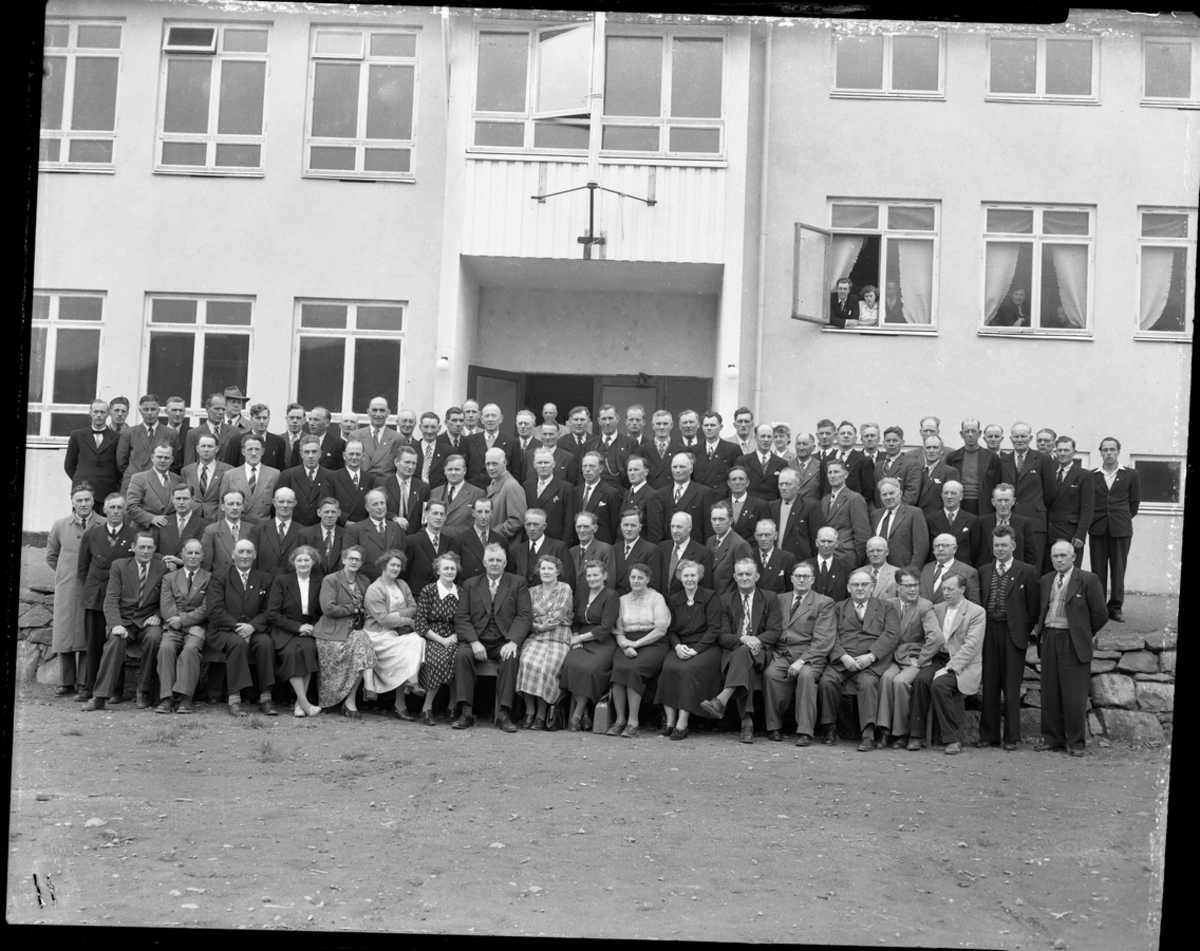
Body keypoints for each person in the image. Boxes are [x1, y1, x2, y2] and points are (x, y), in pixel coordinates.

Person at [81, 531, 170, 712]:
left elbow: (167, 598)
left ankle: (143, 691)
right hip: (125, 621)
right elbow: (111, 599)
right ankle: (100, 696)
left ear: (154, 549)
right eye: (141, 547)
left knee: (154, 639)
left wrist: (158, 615)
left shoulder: (161, 568)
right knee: (115, 642)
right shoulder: (119, 566)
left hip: (148, 621)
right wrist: (116, 624)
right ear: (133, 548)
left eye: (149, 547)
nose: (145, 551)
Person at [1035, 540, 1107, 756]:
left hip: (1073, 641)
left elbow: (1100, 614)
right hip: (1049, 637)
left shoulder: (1087, 579)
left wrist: (1082, 632)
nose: (1059, 559)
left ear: (1073, 557)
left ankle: (1076, 743)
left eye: (1063, 556)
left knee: (1074, 694)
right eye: (1055, 556)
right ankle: (1053, 739)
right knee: (1050, 692)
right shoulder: (1046, 580)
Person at [451, 543, 532, 732]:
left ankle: (504, 713)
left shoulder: (517, 582)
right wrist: (473, 641)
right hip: (477, 638)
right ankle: (466, 712)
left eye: (498, 560)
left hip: (503, 640)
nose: (494, 564)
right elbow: (462, 617)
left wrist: (512, 641)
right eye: (491, 560)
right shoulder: (471, 584)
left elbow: (524, 615)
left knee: (511, 657)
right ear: (484, 562)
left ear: (505, 563)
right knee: (462, 655)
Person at [699, 559, 783, 744]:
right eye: (740, 574)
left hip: (760, 652)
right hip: (735, 653)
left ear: (757, 576)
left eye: (748, 574)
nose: (744, 577)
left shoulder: (769, 598)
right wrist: (743, 638)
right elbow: (723, 636)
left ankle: (723, 700)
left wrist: (755, 640)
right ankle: (747, 723)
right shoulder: (725, 600)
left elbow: (774, 631)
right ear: (735, 577)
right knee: (744, 656)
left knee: (745, 653)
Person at [817, 569, 900, 750]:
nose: (860, 588)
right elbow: (830, 634)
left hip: (871, 662)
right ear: (848, 588)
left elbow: (892, 635)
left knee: (868, 683)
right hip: (842, 661)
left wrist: (871, 656)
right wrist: (843, 656)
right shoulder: (838, 608)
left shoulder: (886, 607)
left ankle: (868, 733)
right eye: (855, 585)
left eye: (864, 584)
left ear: (872, 587)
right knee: (827, 681)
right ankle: (829, 728)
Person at [907, 572, 987, 755]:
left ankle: (951, 739)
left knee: (940, 685)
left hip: (962, 662)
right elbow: (928, 636)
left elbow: (972, 646)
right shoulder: (937, 608)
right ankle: (916, 735)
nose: (946, 593)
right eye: (944, 589)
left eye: (950, 589)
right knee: (920, 680)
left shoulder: (976, 612)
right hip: (939, 657)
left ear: (962, 589)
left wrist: (949, 668)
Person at [976, 527, 1040, 750]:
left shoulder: (1027, 571)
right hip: (988, 632)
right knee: (990, 685)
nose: (1000, 549)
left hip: (1013, 635)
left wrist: (1021, 629)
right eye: (996, 545)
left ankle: (1011, 738)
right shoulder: (983, 571)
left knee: (1011, 687)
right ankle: (989, 736)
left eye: (1004, 545)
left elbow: (1033, 608)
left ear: (1013, 546)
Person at [762, 561, 835, 746]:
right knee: (771, 674)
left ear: (812, 580)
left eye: (806, 577)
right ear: (792, 578)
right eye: (798, 576)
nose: (802, 580)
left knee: (806, 677)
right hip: (782, 654)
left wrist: (802, 661)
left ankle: (805, 731)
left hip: (810, 657)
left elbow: (823, 640)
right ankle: (774, 727)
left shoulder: (823, 603)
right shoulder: (779, 599)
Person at [76, 493, 140, 702]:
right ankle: (88, 688)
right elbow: (83, 569)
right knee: (93, 644)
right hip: (96, 596)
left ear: (125, 511)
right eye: (111, 507)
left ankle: (115, 690)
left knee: (116, 640)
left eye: (119, 508)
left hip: (119, 599)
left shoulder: (133, 535)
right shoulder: (92, 534)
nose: (115, 512)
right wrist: (92, 591)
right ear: (105, 510)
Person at [206, 538, 278, 716]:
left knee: (266, 644)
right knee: (237, 643)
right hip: (224, 630)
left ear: (254, 556)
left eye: (248, 552)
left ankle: (266, 697)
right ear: (233, 554)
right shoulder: (219, 576)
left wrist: (252, 627)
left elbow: (269, 610)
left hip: (255, 629)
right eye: (241, 552)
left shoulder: (265, 579)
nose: (244, 556)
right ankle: (234, 698)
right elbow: (214, 611)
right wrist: (239, 627)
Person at [654, 560, 723, 740]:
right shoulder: (674, 599)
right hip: (681, 645)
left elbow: (714, 629)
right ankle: (669, 722)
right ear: (680, 577)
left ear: (699, 577)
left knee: (687, 669)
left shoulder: (710, 597)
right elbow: (671, 629)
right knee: (669, 668)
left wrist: (696, 650)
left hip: (706, 647)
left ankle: (682, 724)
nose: (690, 579)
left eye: (693, 575)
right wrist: (677, 646)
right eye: (686, 575)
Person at [46, 482, 102, 696]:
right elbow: (51, 556)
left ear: (93, 500)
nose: (83, 504)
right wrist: (65, 573)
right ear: (72, 502)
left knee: (87, 633)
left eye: (87, 499)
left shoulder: (102, 523)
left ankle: (84, 682)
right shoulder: (60, 525)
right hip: (67, 587)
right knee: (65, 633)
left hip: (92, 587)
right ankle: (66, 681)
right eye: (79, 500)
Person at [312, 546, 378, 717]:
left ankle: (352, 700)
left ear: (361, 563)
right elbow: (328, 609)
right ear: (343, 560)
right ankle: (367, 688)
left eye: (357, 559)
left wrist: (359, 611)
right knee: (362, 642)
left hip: (355, 631)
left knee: (362, 643)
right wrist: (354, 609)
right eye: (351, 558)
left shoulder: (364, 581)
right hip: (331, 633)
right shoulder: (331, 579)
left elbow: (368, 606)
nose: (354, 562)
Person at [607, 563, 671, 738]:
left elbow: (661, 630)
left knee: (633, 669)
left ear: (648, 579)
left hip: (653, 643)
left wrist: (636, 644)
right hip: (628, 641)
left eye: (640, 578)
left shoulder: (656, 598)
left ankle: (632, 722)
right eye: (633, 577)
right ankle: (619, 720)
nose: (636, 581)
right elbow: (618, 630)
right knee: (619, 668)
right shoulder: (622, 600)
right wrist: (625, 644)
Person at [874, 568, 933, 750]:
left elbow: (935, 637)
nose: (913, 589)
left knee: (900, 682)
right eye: (908, 586)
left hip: (914, 658)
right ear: (898, 587)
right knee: (885, 679)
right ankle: (884, 730)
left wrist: (922, 660)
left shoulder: (925, 606)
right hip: (893, 657)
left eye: (915, 585)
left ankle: (901, 733)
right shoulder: (888, 604)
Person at [363, 549, 425, 720]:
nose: (396, 568)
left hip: (397, 634)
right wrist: (406, 619)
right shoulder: (374, 589)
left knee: (417, 640)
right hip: (377, 635)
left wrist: (396, 614)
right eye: (393, 565)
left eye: (399, 565)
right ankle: (401, 701)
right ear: (384, 565)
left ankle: (413, 682)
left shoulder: (402, 585)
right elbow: (383, 619)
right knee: (403, 651)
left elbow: (414, 608)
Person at [561, 560, 621, 731]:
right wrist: (574, 635)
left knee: (589, 669)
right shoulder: (582, 594)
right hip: (581, 639)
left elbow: (605, 628)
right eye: (589, 575)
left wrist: (580, 639)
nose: (592, 578)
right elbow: (575, 621)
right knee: (571, 664)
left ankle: (577, 715)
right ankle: (586, 712)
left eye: (596, 574)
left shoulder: (611, 596)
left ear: (605, 576)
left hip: (603, 643)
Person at [265, 545, 324, 718]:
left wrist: (313, 627)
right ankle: (305, 703)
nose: (303, 563)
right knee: (292, 653)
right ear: (293, 562)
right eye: (299, 560)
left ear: (313, 562)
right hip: (285, 628)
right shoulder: (282, 581)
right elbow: (272, 613)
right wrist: (297, 627)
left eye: (307, 560)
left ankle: (299, 705)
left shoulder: (320, 581)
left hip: (309, 628)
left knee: (308, 650)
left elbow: (322, 611)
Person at [516, 554, 574, 730]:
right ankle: (530, 710)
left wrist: (537, 620)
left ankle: (541, 713)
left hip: (559, 636)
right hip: (536, 636)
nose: (546, 572)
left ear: (557, 571)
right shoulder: (532, 591)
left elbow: (557, 617)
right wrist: (539, 625)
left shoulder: (564, 589)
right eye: (543, 568)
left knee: (546, 666)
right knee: (526, 661)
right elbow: (526, 617)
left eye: (550, 568)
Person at [155, 539, 211, 715]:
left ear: (203, 556)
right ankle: (167, 697)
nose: (193, 556)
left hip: (198, 627)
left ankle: (185, 696)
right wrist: (184, 625)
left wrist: (184, 620)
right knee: (165, 648)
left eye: (197, 553)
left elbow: (206, 609)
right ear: (182, 555)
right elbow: (166, 608)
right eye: (189, 552)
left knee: (191, 649)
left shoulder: (210, 578)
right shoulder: (169, 578)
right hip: (174, 627)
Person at [1089, 437, 1141, 623]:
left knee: (1118, 570)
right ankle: (1099, 608)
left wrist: (1121, 518)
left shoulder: (1130, 474)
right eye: (1105, 450)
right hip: (1098, 529)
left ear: (1118, 451)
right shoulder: (1092, 475)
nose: (1109, 453)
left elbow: (1134, 503)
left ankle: (1116, 608)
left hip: (1121, 529)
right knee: (1098, 570)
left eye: (1112, 449)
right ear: (1100, 452)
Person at [413, 552, 463, 724]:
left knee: (459, 658)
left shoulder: (461, 593)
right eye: (446, 568)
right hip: (432, 637)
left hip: (455, 637)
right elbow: (420, 623)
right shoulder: (429, 591)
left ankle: (452, 705)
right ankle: (426, 708)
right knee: (438, 659)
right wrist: (441, 640)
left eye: (452, 568)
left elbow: (464, 619)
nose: (449, 571)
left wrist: (455, 636)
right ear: (438, 571)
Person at [1000, 422, 1056, 573]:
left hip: (1034, 520)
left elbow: (1050, 493)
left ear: (1030, 438)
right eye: (1016, 436)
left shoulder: (1043, 459)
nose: (1019, 440)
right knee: (1010, 563)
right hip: (1009, 520)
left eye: (1023, 436)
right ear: (1011, 439)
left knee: (1033, 565)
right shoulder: (1003, 461)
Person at [1045, 436, 1095, 578]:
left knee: (1069, 574)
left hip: (1070, 533)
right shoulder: (1049, 472)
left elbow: (1087, 508)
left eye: (1066, 450)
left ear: (1074, 452)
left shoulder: (1084, 475)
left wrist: (1080, 534)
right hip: (1049, 532)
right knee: (1048, 573)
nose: (1062, 453)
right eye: (1059, 450)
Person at [115, 394, 181, 493]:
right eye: (146, 409)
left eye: (153, 409)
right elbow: (121, 462)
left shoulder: (171, 434)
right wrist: (135, 475)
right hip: (133, 483)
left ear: (158, 411)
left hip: (159, 484)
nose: (149, 413)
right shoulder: (129, 433)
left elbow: (175, 463)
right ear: (140, 411)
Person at [645, 452, 714, 545]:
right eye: (674, 467)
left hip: (694, 550)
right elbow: (656, 528)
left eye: (682, 467)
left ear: (691, 469)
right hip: (667, 549)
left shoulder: (704, 493)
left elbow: (708, 528)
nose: (677, 470)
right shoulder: (661, 493)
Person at [64, 400, 121, 504]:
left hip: (106, 491)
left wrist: (110, 482)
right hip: (82, 492)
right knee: (81, 520)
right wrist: (81, 481)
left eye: (102, 412)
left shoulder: (117, 437)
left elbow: (119, 466)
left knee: (104, 520)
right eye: (95, 411)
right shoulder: (77, 435)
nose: (99, 415)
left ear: (108, 414)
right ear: (90, 413)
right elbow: (69, 465)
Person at [508, 508, 575, 595]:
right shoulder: (516, 551)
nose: (531, 528)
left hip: (551, 601)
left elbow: (568, 580)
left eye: (536, 524)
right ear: (524, 526)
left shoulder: (559, 547)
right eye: (528, 524)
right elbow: (511, 580)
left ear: (544, 526)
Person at [870, 476, 929, 573]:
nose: (888, 497)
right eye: (884, 494)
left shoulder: (914, 513)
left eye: (892, 493)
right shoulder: (875, 515)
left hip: (903, 572)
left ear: (900, 493)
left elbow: (921, 548)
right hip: (878, 572)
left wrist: (911, 573)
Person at [344, 489, 405, 582]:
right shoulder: (355, 530)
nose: (380, 507)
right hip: (365, 584)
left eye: (382, 503)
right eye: (375, 504)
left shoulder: (397, 528)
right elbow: (349, 561)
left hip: (393, 583)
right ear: (367, 507)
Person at [945, 418, 1002, 516]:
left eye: (974, 431)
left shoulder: (991, 457)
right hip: (959, 503)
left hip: (984, 504)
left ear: (979, 433)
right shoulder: (952, 457)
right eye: (967, 431)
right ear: (961, 434)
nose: (970, 434)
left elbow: (996, 483)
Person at [217, 432, 280, 522]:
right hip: (238, 527)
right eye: (250, 449)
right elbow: (222, 508)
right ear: (243, 451)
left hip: (263, 528)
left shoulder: (274, 474)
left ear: (262, 451)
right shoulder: (230, 475)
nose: (253, 453)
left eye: (257, 449)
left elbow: (277, 507)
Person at [820, 459, 871, 566]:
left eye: (836, 472)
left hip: (846, 557)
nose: (833, 476)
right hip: (826, 556)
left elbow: (862, 535)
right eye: (830, 472)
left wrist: (860, 561)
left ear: (846, 474)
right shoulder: (824, 500)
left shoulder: (854, 498)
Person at [402, 499, 457, 596]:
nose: (438, 517)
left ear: (445, 518)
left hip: (442, 597)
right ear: (426, 515)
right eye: (435, 513)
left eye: (442, 514)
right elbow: (403, 571)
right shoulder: (412, 541)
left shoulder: (450, 542)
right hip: (418, 596)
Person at [975, 483, 1037, 568]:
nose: (1003, 504)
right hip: (987, 574)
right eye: (999, 500)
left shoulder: (1025, 523)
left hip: (1016, 573)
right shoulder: (980, 522)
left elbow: (1031, 555)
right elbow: (975, 552)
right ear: (993, 502)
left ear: (1013, 501)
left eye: (1007, 500)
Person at [769, 468, 824, 562]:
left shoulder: (810, 507)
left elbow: (817, 540)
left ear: (798, 486)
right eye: (781, 484)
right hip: (776, 562)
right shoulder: (771, 507)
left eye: (788, 484)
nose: (783, 487)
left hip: (801, 563)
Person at [525, 447, 577, 542]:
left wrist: (564, 545)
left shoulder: (566, 488)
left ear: (553, 464)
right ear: (534, 465)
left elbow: (569, 522)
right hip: (531, 541)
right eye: (539, 463)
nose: (543, 466)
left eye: (546, 462)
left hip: (555, 542)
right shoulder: (527, 486)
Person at [154, 484, 210, 570]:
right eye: (178, 498)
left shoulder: (204, 525)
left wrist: (181, 561)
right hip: (164, 571)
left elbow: (206, 557)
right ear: (172, 500)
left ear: (193, 500)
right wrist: (167, 559)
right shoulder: (162, 522)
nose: (181, 502)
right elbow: (152, 551)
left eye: (185, 498)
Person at [925, 480, 982, 565]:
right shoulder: (930, 519)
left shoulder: (972, 520)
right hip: (938, 568)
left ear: (961, 496)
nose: (949, 496)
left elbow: (975, 550)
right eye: (946, 493)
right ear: (941, 496)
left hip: (962, 569)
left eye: (953, 493)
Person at [428, 454, 484, 537]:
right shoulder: (434, 492)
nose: (453, 473)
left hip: (464, 544)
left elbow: (480, 524)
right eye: (450, 469)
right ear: (445, 471)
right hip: (438, 544)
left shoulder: (478, 493)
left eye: (457, 469)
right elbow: (427, 521)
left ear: (464, 470)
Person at [465, 403, 521, 487]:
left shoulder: (512, 442)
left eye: (494, 416)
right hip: (475, 492)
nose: (490, 419)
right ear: (482, 419)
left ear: (501, 418)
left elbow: (515, 473)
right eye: (487, 416)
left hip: (500, 492)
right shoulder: (469, 440)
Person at [574, 451, 622, 545]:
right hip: (577, 545)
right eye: (585, 466)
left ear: (600, 468)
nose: (587, 469)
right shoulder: (575, 491)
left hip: (601, 546)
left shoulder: (611, 493)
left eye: (592, 466)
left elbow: (614, 526)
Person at [919, 534, 981, 605]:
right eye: (937, 546)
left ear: (954, 549)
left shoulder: (968, 572)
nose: (940, 549)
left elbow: (974, 605)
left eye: (945, 545)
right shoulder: (924, 568)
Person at [183, 433, 232, 521]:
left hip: (215, 519)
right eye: (203, 446)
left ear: (216, 449)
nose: (206, 449)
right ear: (197, 449)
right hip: (191, 519)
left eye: (210, 446)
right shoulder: (186, 471)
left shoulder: (228, 470)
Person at [382, 444, 429, 534]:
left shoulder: (423, 488)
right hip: (388, 535)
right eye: (407, 462)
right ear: (396, 462)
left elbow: (425, 517)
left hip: (414, 538)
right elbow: (376, 509)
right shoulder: (383, 484)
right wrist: (394, 518)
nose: (411, 467)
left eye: (414, 463)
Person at [692, 411, 742, 494]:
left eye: (713, 425)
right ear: (702, 427)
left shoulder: (732, 449)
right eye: (706, 425)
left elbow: (738, 476)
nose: (709, 428)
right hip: (699, 498)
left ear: (721, 427)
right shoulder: (694, 450)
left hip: (722, 499)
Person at [613, 506, 660, 594]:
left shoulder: (651, 550)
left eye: (633, 525)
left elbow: (653, 584)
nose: (629, 529)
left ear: (640, 527)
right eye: (626, 525)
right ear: (620, 526)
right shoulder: (614, 548)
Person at [484, 447, 528, 540]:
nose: (490, 468)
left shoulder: (511, 486)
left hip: (504, 546)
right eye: (488, 464)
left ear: (505, 463)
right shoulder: (494, 482)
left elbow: (517, 521)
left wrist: (491, 535)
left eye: (495, 464)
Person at [584, 404, 631, 491]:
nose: (607, 423)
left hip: (621, 492)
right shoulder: (589, 445)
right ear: (599, 421)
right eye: (604, 419)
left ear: (617, 419)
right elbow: (581, 473)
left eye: (610, 418)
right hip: (595, 492)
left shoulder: (630, 443)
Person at [354, 397, 402, 479]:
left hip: (386, 487)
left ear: (388, 413)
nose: (378, 414)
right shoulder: (356, 436)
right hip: (362, 485)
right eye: (374, 410)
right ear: (368, 412)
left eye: (382, 410)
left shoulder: (398, 438)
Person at [737, 424, 787, 502]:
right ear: (755, 438)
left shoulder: (782, 463)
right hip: (749, 507)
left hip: (772, 508)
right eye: (763, 436)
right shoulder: (743, 461)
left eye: (769, 437)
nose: (766, 440)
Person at [806, 526, 855, 604]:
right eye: (823, 541)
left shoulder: (845, 568)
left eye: (830, 541)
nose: (826, 545)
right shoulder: (805, 566)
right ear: (816, 543)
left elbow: (848, 596)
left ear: (836, 544)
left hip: (836, 613)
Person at [570, 510, 616, 591]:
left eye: (586, 526)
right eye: (579, 526)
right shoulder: (572, 551)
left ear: (595, 528)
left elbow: (609, 582)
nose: (582, 530)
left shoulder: (605, 549)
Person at [874, 426, 920, 507]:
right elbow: (873, 493)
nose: (891, 444)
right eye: (888, 441)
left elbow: (911, 495)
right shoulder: (877, 466)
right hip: (878, 514)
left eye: (895, 440)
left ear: (902, 442)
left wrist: (893, 511)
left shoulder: (911, 465)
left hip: (900, 514)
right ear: (883, 443)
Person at [915, 436, 961, 518]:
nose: (931, 451)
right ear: (923, 450)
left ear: (942, 450)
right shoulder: (916, 471)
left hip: (937, 520)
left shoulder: (950, 472)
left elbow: (952, 500)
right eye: (928, 447)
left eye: (935, 447)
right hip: (917, 519)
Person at [724, 465, 770, 542]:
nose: (737, 482)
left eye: (741, 479)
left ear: (747, 482)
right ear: (728, 483)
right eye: (734, 479)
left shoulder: (760, 505)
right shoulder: (722, 506)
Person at [751, 519, 797, 594]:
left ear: (775, 536)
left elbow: (791, 590)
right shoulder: (749, 555)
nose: (763, 539)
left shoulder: (788, 558)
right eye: (760, 535)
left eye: (767, 535)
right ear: (755, 536)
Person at [183, 393, 229, 467]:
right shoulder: (194, 434)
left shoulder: (234, 433)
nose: (221, 412)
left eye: (223, 409)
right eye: (217, 408)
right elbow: (189, 466)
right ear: (207, 409)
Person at [643, 410, 681, 491]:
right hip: (650, 496)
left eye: (665, 424)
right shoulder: (642, 449)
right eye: (658, 424)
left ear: (672, 425)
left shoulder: (681, 449)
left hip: (672, 495)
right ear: (652, 426)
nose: (662, 427)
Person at [303, 406, 346, 470]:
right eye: (310, 419)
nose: (311, 423)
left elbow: (341, 471)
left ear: (327, 423)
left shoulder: (338, 444)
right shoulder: (300, 443)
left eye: (316, 420)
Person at [414, 412, 450, 489]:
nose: (429, 431)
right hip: (415, 494)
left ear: (439, 428)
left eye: (433, 427)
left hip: (438, 496)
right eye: (426, 427)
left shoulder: (448, 451)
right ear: (420, 427)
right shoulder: (411, 450)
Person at [862, 535, 898, 600]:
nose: (875, 554)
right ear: (867, 553)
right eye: (871, 551)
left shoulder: (897, 574)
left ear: (887, 552)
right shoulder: (857, 573)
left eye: (879, 550)